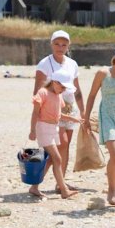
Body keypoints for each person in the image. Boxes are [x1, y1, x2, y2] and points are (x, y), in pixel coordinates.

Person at [82, 45, 115, 207]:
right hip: (108, 118)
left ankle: (113, 193)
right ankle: (112, 193)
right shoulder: (102, 73)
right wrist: (86, 118)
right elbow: (92, 95)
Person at [34, 30, 84, 187]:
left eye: (64, 45)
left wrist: (83, 111)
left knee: (66, 145)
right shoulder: (44, 64)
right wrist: (39, 116)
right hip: (52, 108)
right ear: (51, 44)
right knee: (61, 144)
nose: (60, 47)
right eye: (57, 44)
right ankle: (38, 182)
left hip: (70, 106)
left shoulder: (72, 64)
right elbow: (37, 91)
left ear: (68, 46)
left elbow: (77, 89)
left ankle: (60, 183)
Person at [29, 68, 83, 198]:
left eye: (65, 88)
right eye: (62, 87)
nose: (64, 90)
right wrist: (32, 131)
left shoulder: (58, 96)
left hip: (54, 129)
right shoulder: (43, 93)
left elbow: (59, 115)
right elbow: (35, 113)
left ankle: (34, 187)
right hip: (43, 128)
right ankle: (64, 190)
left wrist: (74, 119)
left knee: (49, 160)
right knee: (57, 158)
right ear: (54, 82)